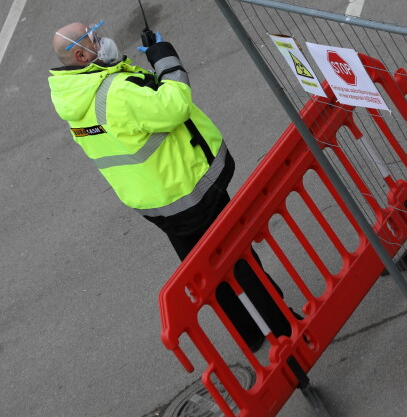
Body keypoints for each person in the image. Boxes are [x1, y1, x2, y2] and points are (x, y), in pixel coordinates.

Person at [48, 21, 291, 351]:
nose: (101, 39)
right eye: (93, 38)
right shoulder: (116, 92)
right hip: (193, 192)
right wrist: (165, 59)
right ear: (80, 54)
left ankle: (250, 334)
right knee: (240, 262)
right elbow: (175, 106)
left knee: (207, 270)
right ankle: (284, 330)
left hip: (160, 205)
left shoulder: (75, 100)